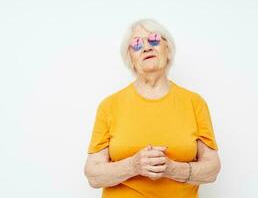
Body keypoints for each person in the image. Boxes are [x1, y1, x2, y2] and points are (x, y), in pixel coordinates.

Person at [84, 18, 221, 198]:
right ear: (130, 59)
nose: (147, 47)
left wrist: (172, 168)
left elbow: (212, 169)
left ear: (168, 49)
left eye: (154, 39)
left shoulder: (194, 103)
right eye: (137, 44)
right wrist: (134, 166)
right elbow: (93, 175)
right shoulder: (109, 106)